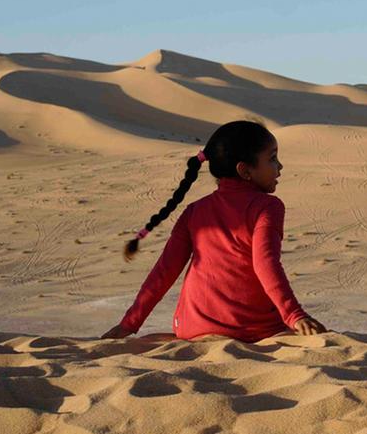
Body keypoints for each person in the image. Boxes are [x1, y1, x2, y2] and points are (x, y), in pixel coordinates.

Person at [102, 120, 326, 342]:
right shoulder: (267, 206)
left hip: (192, 329)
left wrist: (129, 324)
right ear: (245, 170)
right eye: (272, 158)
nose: (280, 166)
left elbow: (164, 272)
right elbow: (265, 263)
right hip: (253, 330)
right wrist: (294, 315)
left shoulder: (194, 210)